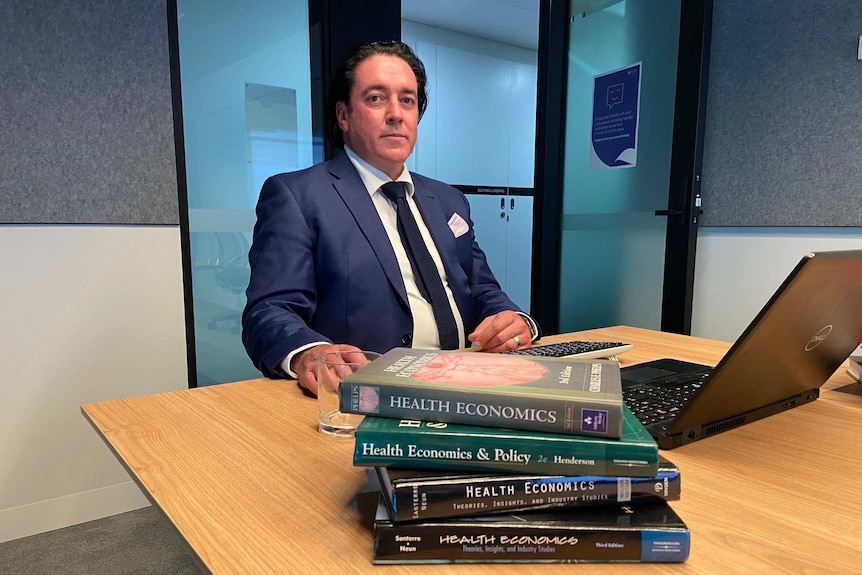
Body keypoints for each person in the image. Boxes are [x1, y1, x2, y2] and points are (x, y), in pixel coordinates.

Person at [242, 41, 540, 394]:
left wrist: (514, 321)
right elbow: (269, 311)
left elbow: (482, 289)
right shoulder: (298, 195)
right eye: (375, 98)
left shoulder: (448, 200)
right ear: (343, 116)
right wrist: (311, 353)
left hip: (467, 384)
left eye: (407, 100)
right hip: (368, 394)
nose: (396, 114)